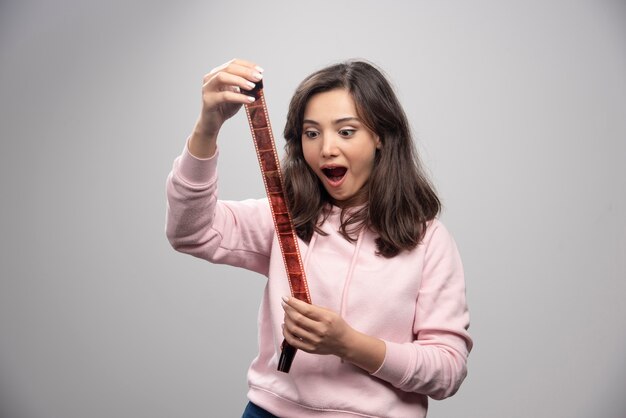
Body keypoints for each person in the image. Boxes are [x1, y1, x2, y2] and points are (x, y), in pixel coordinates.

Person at [166, 58, 472, 418]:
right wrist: (208, 126)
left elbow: (447, 370)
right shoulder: (285, 217)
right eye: (312, 133)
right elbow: (190, 231)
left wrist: (348, 344)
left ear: (380, 136)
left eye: (345, 131)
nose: (326, 148)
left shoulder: (429, 241)